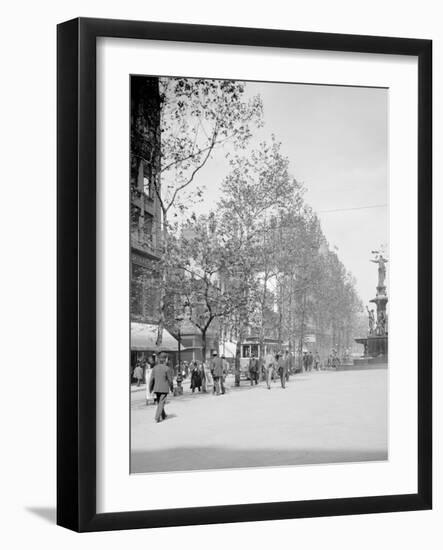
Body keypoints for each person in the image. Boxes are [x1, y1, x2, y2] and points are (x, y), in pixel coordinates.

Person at [148, 353, 173, 423]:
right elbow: (170, 380)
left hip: (156, 388)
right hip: (164, 389)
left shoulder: (155, 368)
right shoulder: (167, 368)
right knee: (161, 402)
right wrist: (172, 388)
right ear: (165, 360)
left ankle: (163, 415)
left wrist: (150, 389)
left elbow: (151, 380)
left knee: (160, 402)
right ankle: (157, 417)